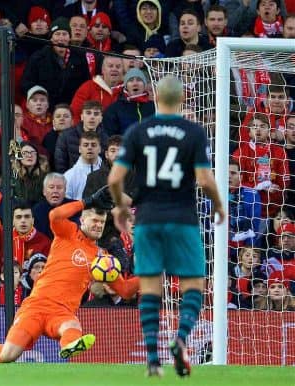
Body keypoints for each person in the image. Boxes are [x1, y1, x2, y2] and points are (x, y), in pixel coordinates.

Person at [107, 75, 225, 377]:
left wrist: (121, 206)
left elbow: (114, 179)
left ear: (155, 98)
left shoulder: (137, 131)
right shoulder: (193, 132)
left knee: (149, 287)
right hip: (182, 218)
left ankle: (152, 359)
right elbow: (204, 179)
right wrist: (218, 203)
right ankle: (181, 339)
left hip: (147, 219)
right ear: (182, 99)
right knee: (193, 286)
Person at [0, 188, 139, 363]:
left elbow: (126, 291)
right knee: (8, 356)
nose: (98, 225)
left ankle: (70, 345)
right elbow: (55, 215)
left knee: (72, 325)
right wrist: (87, 201)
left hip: (61, 312)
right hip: (36, 306)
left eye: (102, 222)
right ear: (82, 220)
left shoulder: (102, 261)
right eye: (95, 220)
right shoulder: (68, 233)